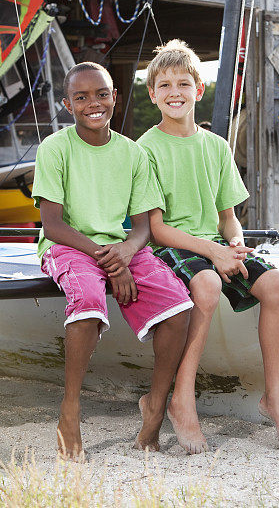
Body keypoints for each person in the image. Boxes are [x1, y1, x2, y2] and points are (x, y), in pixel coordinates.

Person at [137, 40, 279, 453]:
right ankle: (181, 398)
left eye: (184, 83)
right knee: (208, 285)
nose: (175, 92)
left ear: (199, 89)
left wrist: (234, 246)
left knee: (276, 284)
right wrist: (213, 254)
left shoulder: (216, 146)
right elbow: (156, 229)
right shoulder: (146, 149)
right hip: (172, 246)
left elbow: (228, 217)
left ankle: (275, 399)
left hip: (213, 245)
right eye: (165, 85)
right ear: (153, 94)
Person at [32, 62, 192, 460]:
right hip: (70, 245)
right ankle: (70, 410)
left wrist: (124, 254)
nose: (93, 104)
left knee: (177, 306)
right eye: (82, 97)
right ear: (67, 105)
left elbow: (142, 227)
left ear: (115, 97)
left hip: (120, 247)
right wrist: (109, 263)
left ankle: (155, 405)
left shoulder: (133, 154)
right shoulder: (54, 149)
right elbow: (53, 225)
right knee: (87, 302)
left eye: (102, 94)